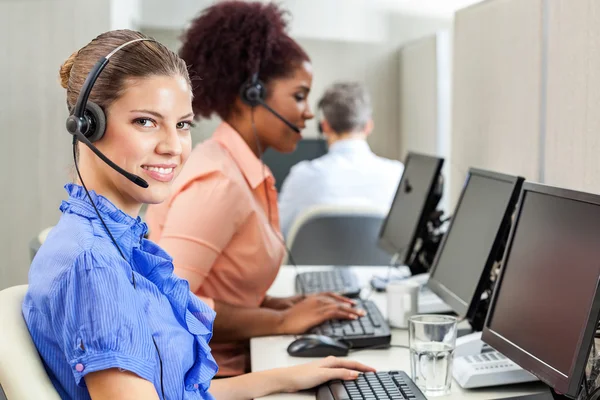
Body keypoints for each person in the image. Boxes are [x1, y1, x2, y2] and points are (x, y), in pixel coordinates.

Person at [22, 29, 374, 400]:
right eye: (145, 121)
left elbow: (184, 392)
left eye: (182, 124)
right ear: (88, 125)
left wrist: (288, 377)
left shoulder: (118, 240)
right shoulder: (95, 265)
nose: (173, 147)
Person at [144, 1, 363, 377]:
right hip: (205, 377)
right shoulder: (219, 182)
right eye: (299, 95)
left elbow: (220, 287)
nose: (309, 112)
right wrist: (280, 324)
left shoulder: (241, 170)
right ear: (253, 94)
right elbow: (166, 302)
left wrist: (279, 306)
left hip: (236, 363)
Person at [278, 82, 405, 237]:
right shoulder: (398, 175)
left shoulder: (301, 176)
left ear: (325, 127)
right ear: (368, 126)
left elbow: (278, 235)